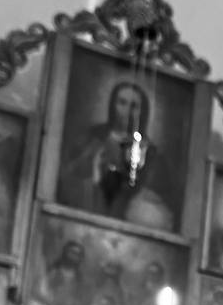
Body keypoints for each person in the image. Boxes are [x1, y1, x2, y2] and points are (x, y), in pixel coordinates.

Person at [57, 80, 178, 231]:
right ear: (112, 105)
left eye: (134, 106)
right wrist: (94, 175)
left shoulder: (152, 154)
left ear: (142, 112)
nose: (127, 111)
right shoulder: (92, 139)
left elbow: (160, 201)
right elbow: (67, 180)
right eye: (122, 103)